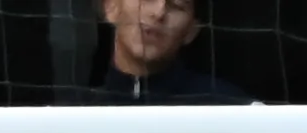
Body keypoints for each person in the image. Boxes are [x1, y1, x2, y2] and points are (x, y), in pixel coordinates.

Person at [91, 0, 247, 104]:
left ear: (191, 31)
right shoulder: (75, 108)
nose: (159, 13)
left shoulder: (227, 105)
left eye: (176, 5)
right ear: (110, 7)